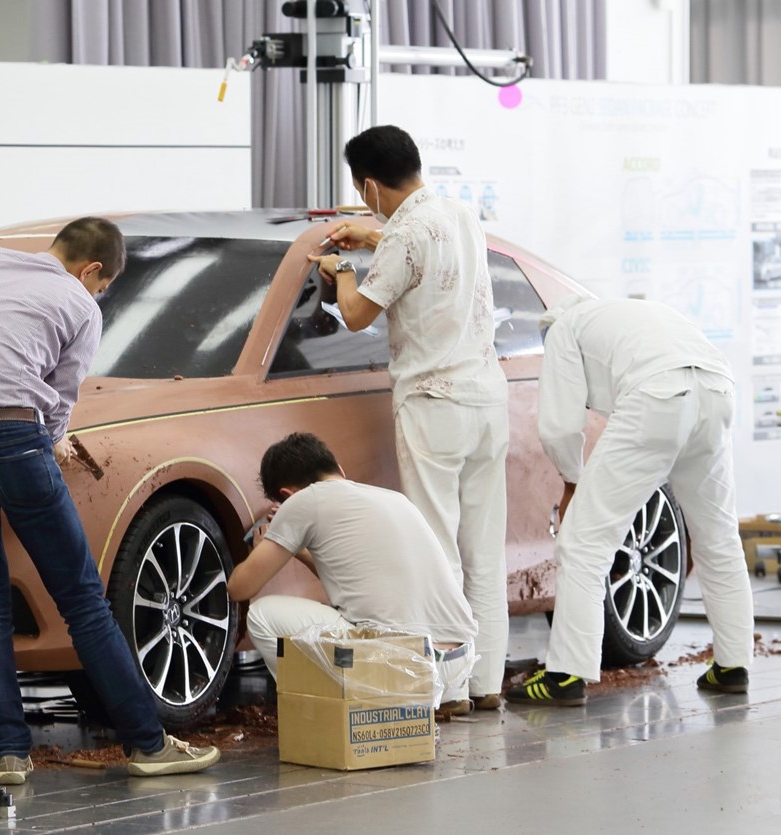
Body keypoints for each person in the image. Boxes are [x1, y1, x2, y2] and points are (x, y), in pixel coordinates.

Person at [0, 217, 221, 785]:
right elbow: (60, 401)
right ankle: (148, 744)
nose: (98, 295)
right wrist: (55, 439)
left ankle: (7, 754)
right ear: (91, 271)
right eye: (102, 286)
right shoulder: (81, 306)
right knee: (84, 602)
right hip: (13, 442)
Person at [312, 125, 510, 709]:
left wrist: (342, 269)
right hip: (487, 401)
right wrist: (373, 235)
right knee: (483, 552)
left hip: (434, 404)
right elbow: (423, 247)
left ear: (369, 186)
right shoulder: (460, 213)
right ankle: (486, 684)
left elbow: (355, 315)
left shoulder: (403, 235)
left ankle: (449, 691)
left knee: (437, 548)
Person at [505, 296, 754, 705]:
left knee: (582, 543)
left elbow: (559, 428)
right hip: (717, 390)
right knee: (719, 538)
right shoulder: (629, 315)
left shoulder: (563, 329)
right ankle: (733, 666)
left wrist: (572, 483)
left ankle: (566, 676)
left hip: (657, 395)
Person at [229, 433, 480, 715]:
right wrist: (297, 549)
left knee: (260, 615)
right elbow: (347, 579)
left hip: (400, 665)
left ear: (287, 495)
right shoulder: (394, 499)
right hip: (455, 663)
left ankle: (315, 714)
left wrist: (265, 545)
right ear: (339, 469)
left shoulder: (303, 502)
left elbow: (240, 588)